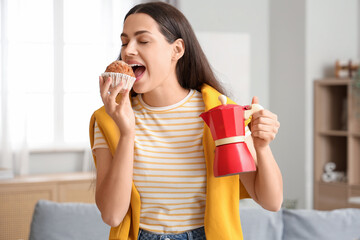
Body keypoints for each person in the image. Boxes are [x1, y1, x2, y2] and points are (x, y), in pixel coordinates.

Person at [89, 2, 282, 240]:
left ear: (177, 49)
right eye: (125, 41)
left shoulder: (221, 112)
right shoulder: (108, 119)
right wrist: (128, 132)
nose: (128, 51)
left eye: (143, 41)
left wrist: (261, 147)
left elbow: (271, 201)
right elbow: (112, 215)